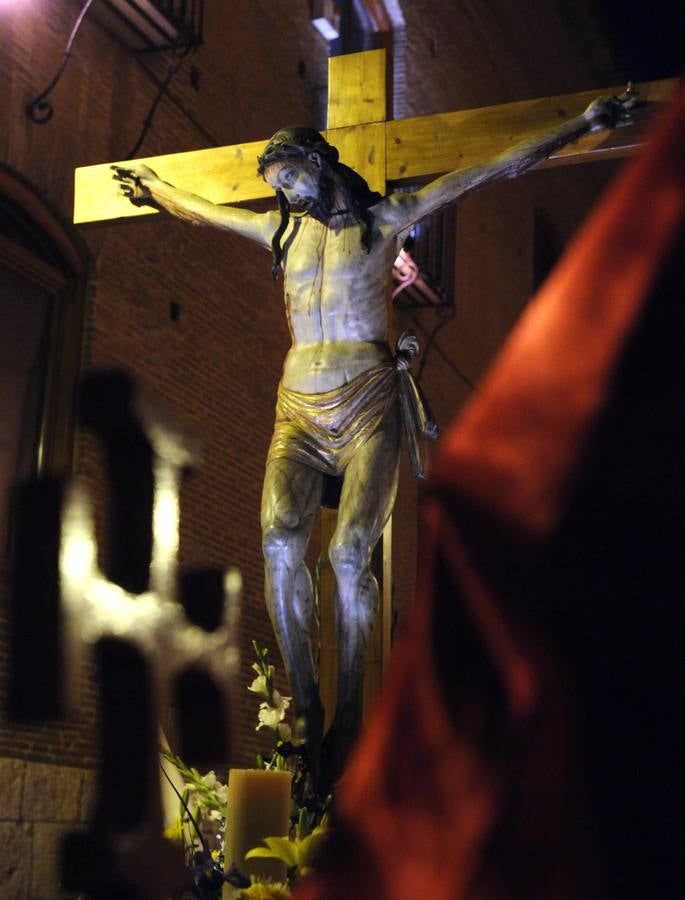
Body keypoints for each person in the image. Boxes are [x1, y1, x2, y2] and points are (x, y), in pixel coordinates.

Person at [113, 93, 632, 784]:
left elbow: (484, 170)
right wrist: (156, 189)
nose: (286, 191)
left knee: (350, 553)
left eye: (292, 176)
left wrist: (579, 124)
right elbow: (205, 211)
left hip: (367, 402)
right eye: (277, 184)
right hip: (296, 406)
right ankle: (306, 703)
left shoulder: (387, 221)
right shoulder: (280, 233)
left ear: (321, 165)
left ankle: (351, 711)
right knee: (275, 538)